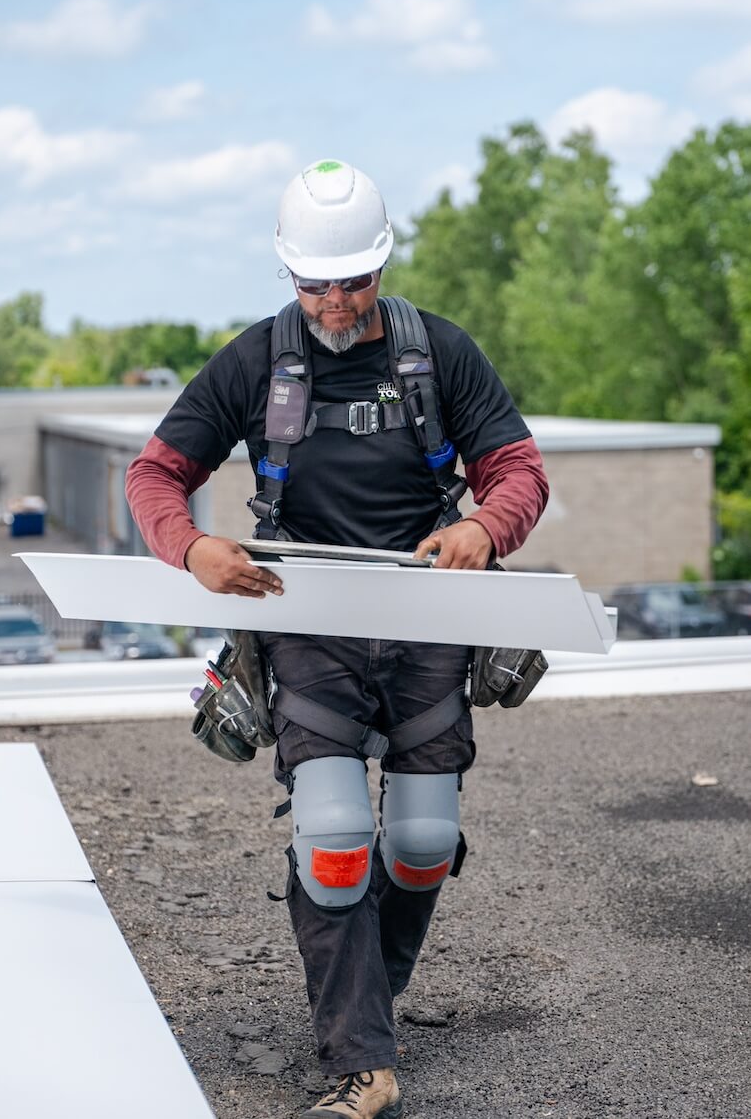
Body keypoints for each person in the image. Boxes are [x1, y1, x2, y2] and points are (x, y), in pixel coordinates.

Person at [125, 159, 549, 1119]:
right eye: (316, 282)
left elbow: (516, 467)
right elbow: (154, 474)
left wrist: (486, 528)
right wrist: (191, 549)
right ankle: (363, 1066)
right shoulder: (252, 361)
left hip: (426, 619)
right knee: (333, 843)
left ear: (382, 264)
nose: (335, 300)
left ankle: (366, 1007)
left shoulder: (437, 353)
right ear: (288, 272)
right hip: (304, 620)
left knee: (422, 843)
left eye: (353, 280)